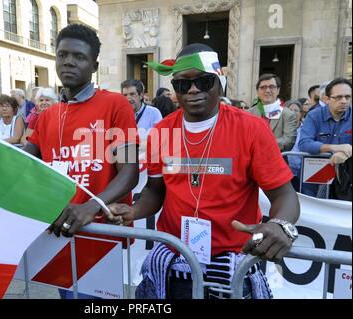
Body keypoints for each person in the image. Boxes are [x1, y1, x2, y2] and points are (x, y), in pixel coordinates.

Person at [108, 43, 300, 299]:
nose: (194, 90)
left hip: (232, 264)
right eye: (182, 85)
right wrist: (134, 210)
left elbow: (284, 196)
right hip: (175, 262)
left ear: (219, 82)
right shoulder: (161, 132)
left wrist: (279, 224)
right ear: (175, 90)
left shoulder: (251, 129)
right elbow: (155, 191)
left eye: (204, 81)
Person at [23, 24, 139, 297]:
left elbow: (130, 171)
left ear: (94, 65)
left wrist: (91, 206)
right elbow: (25, 162)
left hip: (99, 233)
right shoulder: (48, 115)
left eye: (79, 57)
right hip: (59, 232)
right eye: (62, 55)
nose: (68, 62)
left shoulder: (116, 105)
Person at [298, 78, 352, 199]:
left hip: (345, 176)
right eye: (338, 97)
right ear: (326, 99)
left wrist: (347, 153)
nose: (344, 101)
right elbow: (304, 143)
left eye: (347, 97)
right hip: (314, 174)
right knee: (312, 209)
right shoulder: (314, 115)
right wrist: (334, 148)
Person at [248, 74, 297, 151]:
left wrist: (262, 144)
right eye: (263, 87)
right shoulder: (248, 114)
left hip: (276, 159)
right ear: (257, 91)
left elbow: (288, 141)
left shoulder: (288, 114)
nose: (267, 90)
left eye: (271, 87)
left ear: (278, 90)